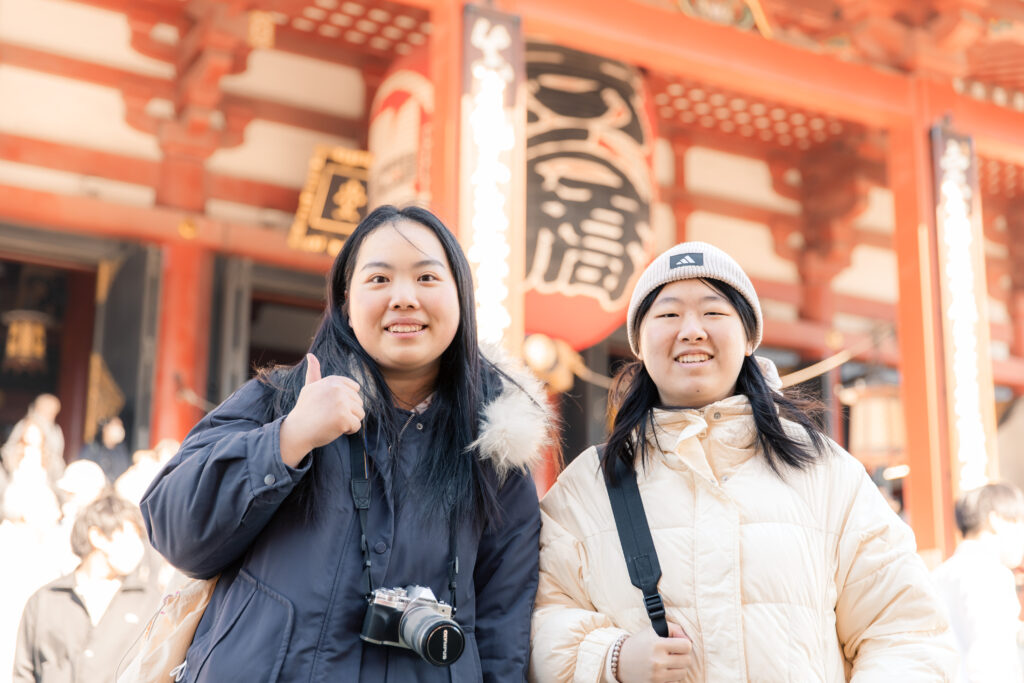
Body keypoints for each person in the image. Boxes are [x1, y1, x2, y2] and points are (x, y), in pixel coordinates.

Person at [140, 205, 552, 682]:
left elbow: (505, 633)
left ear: (461, 298)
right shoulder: (279, 399)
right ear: (345, 301)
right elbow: (174, 529)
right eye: (379, 280)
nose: (403, 298)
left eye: (426, 279)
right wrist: (288, 439)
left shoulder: (494, 451)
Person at [530, 241, 958, 682]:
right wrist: (611, 658)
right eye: (668, 314)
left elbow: (907, 631)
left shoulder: (826, 472)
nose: (692, 330)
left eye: (714, 312)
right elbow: (537, 621)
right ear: (640, 343)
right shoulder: (588, 485)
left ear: (748, 336)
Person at [13, 493, 159, 683]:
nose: (138, 546)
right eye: (130, 535)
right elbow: (24, 673)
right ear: (98, 537)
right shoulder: (45, 600)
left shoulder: (150, 602)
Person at [932, 482, 1024, 682]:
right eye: (1020, 523)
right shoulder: (993, 574)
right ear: (997, 520)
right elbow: (991, 664)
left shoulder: (938, 575)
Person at [1, 394, 65, 489]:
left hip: (46, 478)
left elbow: (57, 455)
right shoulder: (26, 424)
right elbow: (9, 450)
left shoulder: (55, 429)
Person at [79, 416, 131, 484]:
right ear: (105, 428)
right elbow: (83, 469)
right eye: (116, 425)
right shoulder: (93, 448)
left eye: (120, 426)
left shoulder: (121, 450)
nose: (119, 429)